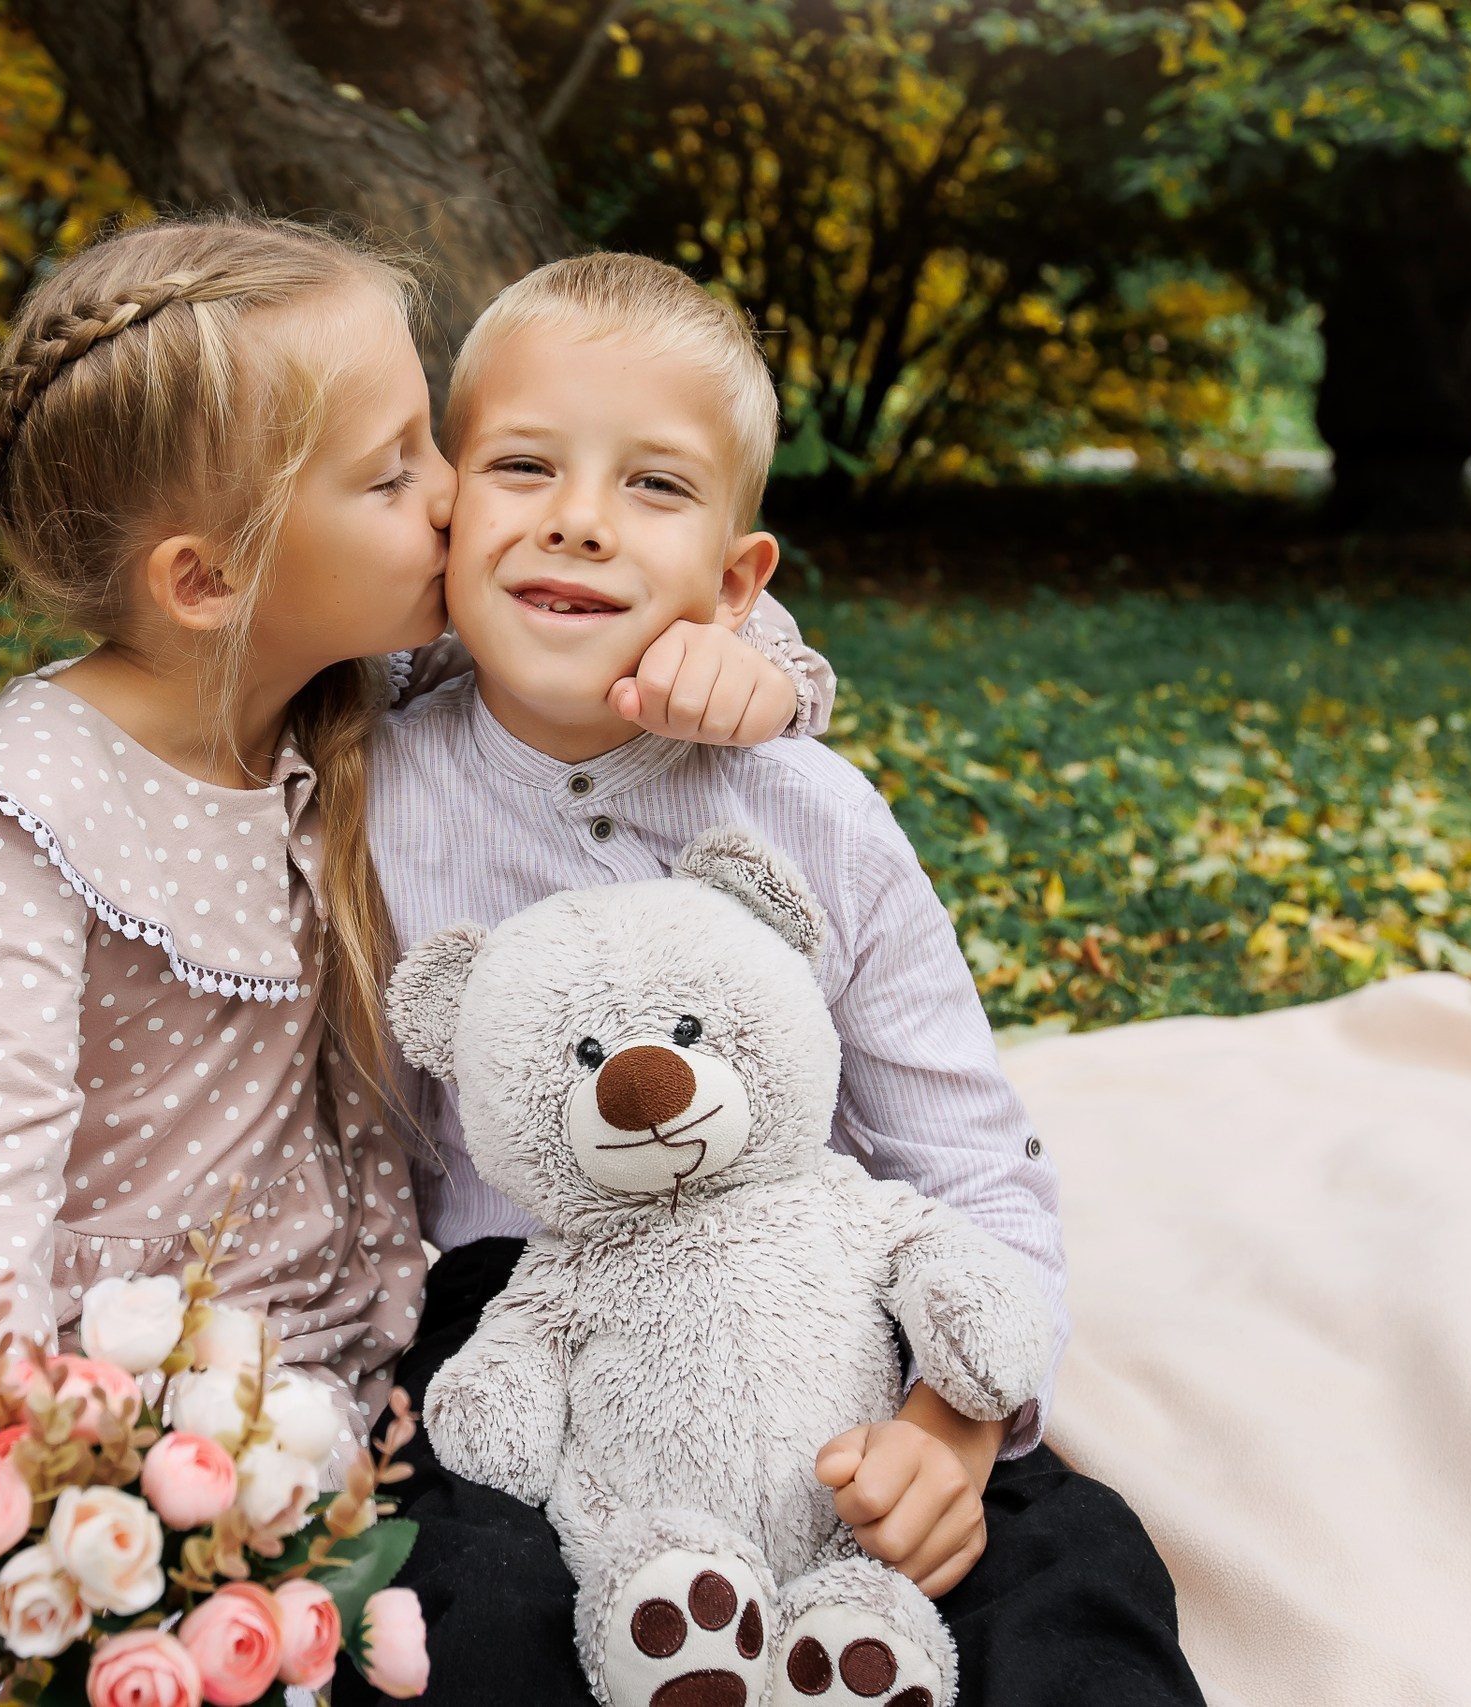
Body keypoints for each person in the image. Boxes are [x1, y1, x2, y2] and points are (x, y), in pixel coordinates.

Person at [0, 216, 822, 1700]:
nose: (461, 494)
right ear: (207, 581)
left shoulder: (349, 681)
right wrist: (5, 1458)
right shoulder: (32, 811)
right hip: (68, 1352)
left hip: (318, 1318)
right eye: (397, 471)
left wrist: (755, 665)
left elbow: (630, 619)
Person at [351, 253, 1205, 1707]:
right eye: (524, 466)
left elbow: (977, 1174)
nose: (577, 518)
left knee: (1078, 1567)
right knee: (454, 1612)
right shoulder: (361, 792)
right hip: (520, 1351)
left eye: (657, 488)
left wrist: (948, 1428)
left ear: (739, 583)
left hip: (830, 1320)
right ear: (443, 519)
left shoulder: (810, 818)